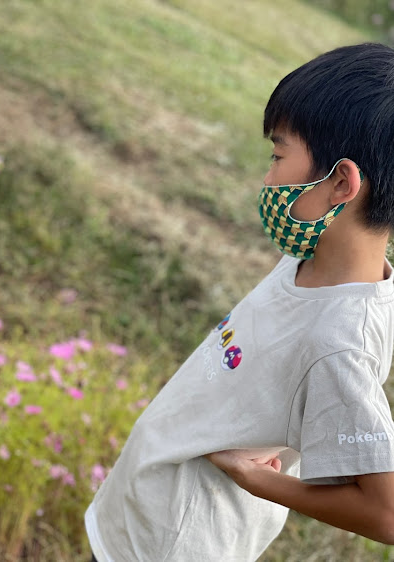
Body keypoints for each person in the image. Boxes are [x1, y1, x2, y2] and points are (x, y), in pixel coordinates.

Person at [86, 42, 394, 561]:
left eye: (278, 155)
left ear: (340, 182)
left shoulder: (339, 340)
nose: (268, 177)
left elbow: (386, 513)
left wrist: (257, 481)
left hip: (175, 545)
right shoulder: (308, 261)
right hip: (143, 511)